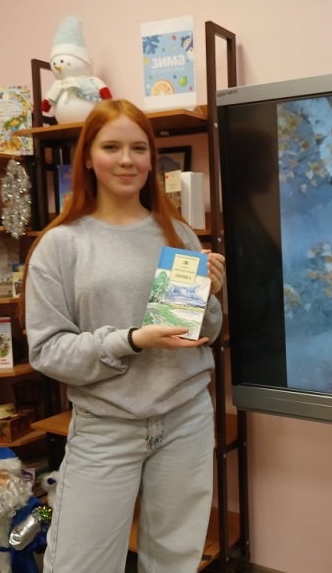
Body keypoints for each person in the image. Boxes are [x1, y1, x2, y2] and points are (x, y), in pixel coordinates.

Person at [20, 99, 226, 572]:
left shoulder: (178, 234)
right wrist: (131, 340)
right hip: (105, 428)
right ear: (88, 158)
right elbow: (48, 352)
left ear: (152, 158)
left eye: (138, 148)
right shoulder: (61, 245)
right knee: (79, 565)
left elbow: (204, 333)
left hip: (187, 419)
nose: (127, 160)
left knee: (174, 562)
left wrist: (210, 296)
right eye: (111, 147)